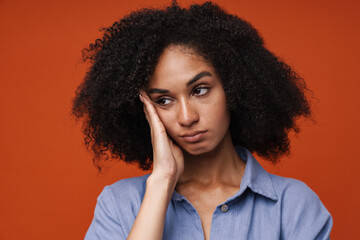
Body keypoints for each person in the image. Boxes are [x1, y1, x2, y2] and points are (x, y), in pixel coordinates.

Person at [72, 1, 333, 239]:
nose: (187, 117)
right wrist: (162, 181)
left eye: (200, 90)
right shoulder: (119, 205)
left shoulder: (294, 205)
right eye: (164, 100)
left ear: (234, 86)